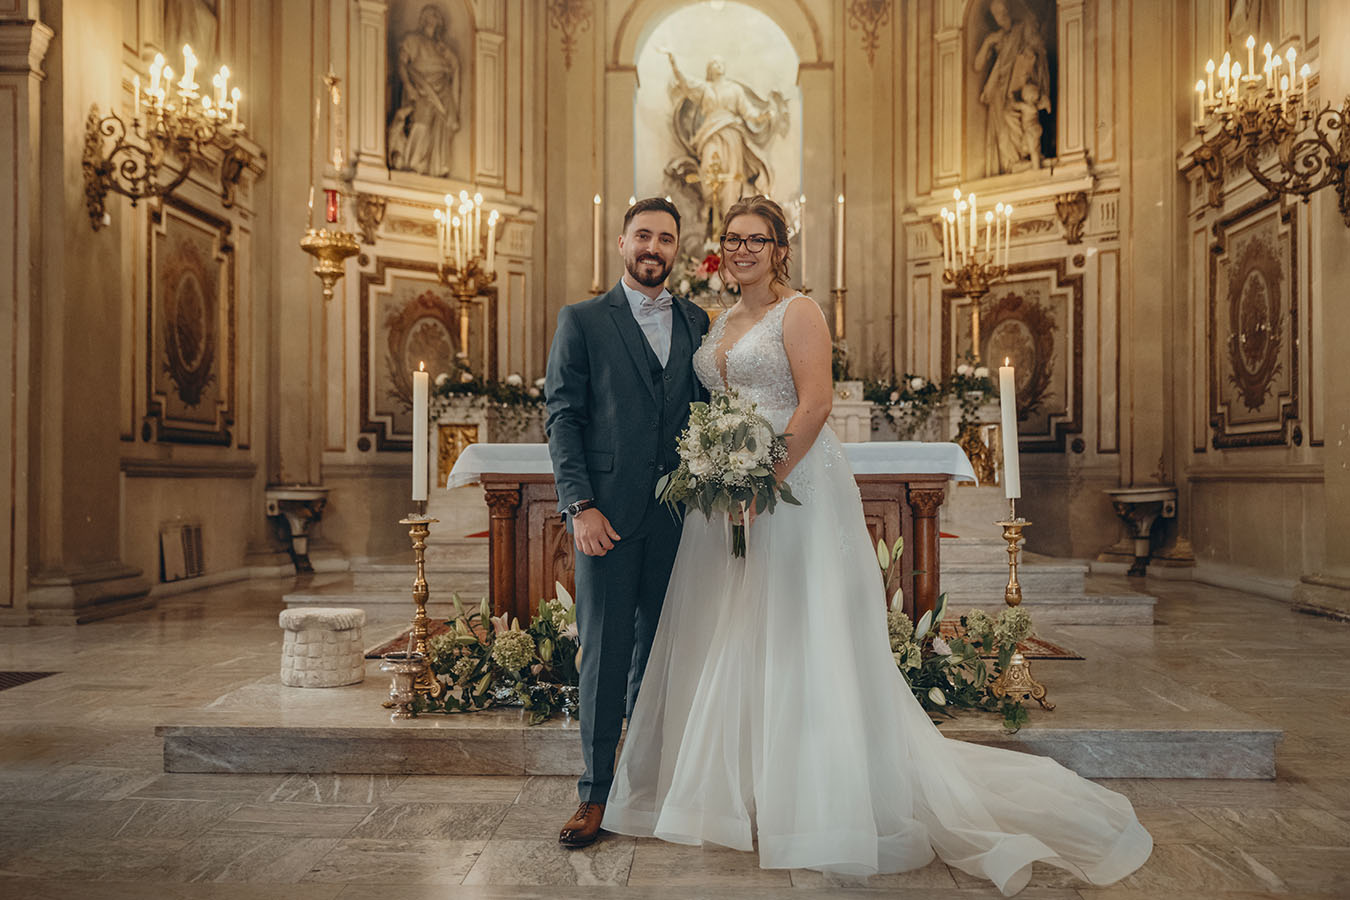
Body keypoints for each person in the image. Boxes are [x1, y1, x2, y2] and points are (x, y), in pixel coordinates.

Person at [601, 196, 1152, 896]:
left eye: (757, 240)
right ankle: (739, 786)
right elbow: (710, 405)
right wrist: (718, 469)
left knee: (801, 629)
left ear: (779, 249)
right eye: (733, 240)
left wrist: (764, 479)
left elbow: (816, 404)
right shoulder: (716, 321)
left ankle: (815, 793)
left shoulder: (800, 312)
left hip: (789, 488)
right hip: (726, 496)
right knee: (731, 629)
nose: (743, 250)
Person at [544, 197, 711, 849]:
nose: (653, 247)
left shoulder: (697, 320)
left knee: (660, 654)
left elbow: (706, 412)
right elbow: (563, 417)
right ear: (621, 244)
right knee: (606, 656)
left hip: (679, 517)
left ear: (677, 251)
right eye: (643, 235)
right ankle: (593, 793)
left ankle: (642, 790)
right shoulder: (582, 321)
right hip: (606, 517)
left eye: (665, 239)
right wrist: (579, 506)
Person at [974, 0, 1051, 174]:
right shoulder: (997, 37)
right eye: (996, 15)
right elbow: (977, 66)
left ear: (1009, 10)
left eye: (1002, 12)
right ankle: (1011, 163)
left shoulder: (1023, 29)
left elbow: (1037, 51)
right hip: (1000, 90)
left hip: (1020, 87)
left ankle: (1021, 159)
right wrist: (987, 42)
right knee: (1003, 130)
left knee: (1015, 117)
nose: (1001, 18)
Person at [388, 4, 461, 177]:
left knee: (438, 129)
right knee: (422, 123)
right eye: (432, 14)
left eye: (437, 15)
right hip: (421, 88)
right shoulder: (412, 39)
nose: (436, 17)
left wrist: (452, 58)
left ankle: (433, 166)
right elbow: (402, 64)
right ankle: (413, 162)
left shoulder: (441, 47)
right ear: (425, 18)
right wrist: (408, 86)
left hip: (442, 91)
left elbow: (453, 68)